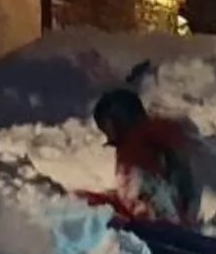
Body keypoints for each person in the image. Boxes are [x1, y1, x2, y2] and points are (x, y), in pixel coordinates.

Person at [81, 86, 202, 228]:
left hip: (162, 211)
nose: (106, 131)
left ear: (120, 116)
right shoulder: (127, 149)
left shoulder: (145, 131)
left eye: (106, 124)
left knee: (141, 185)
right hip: (140, 211)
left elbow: (178, 143)